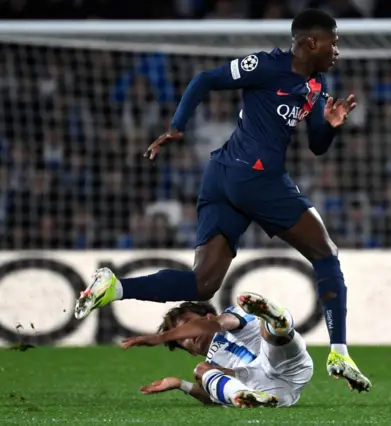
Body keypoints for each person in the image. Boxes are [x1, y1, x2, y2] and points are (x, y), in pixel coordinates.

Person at [74, 8, 370, 392]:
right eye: (334, 42)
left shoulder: (317, 85)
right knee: (325, 254)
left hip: (223, 176)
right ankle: (340, 353)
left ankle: (115, 287)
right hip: (257, 177)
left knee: (203, 285)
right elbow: (205, 80)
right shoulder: (265, 65)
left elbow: (316, 146)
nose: (337, 51)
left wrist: (330, 127)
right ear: (311, 42)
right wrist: (177, 127)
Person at [122, 292, 313, 408]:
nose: (187, 335)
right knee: (201, 371)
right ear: (190, 351)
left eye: (189, 325)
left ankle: (277, 321)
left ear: (208, 316)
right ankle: (244, 396)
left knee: (268, 332)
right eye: (181, 339)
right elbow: (213, 398)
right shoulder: (211, 366)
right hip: (271, 392)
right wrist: (181, 384)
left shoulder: (230, 318)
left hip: (288, 366)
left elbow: (220, 323)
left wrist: (159, 338)